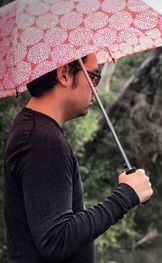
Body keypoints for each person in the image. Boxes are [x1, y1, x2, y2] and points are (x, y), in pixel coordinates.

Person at [3, 53, 153, 262]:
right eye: (93, 77)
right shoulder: (42, 141)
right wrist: (126, 196)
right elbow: (56, 240)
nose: (95, 88)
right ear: (65, 74)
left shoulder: (34, 131)